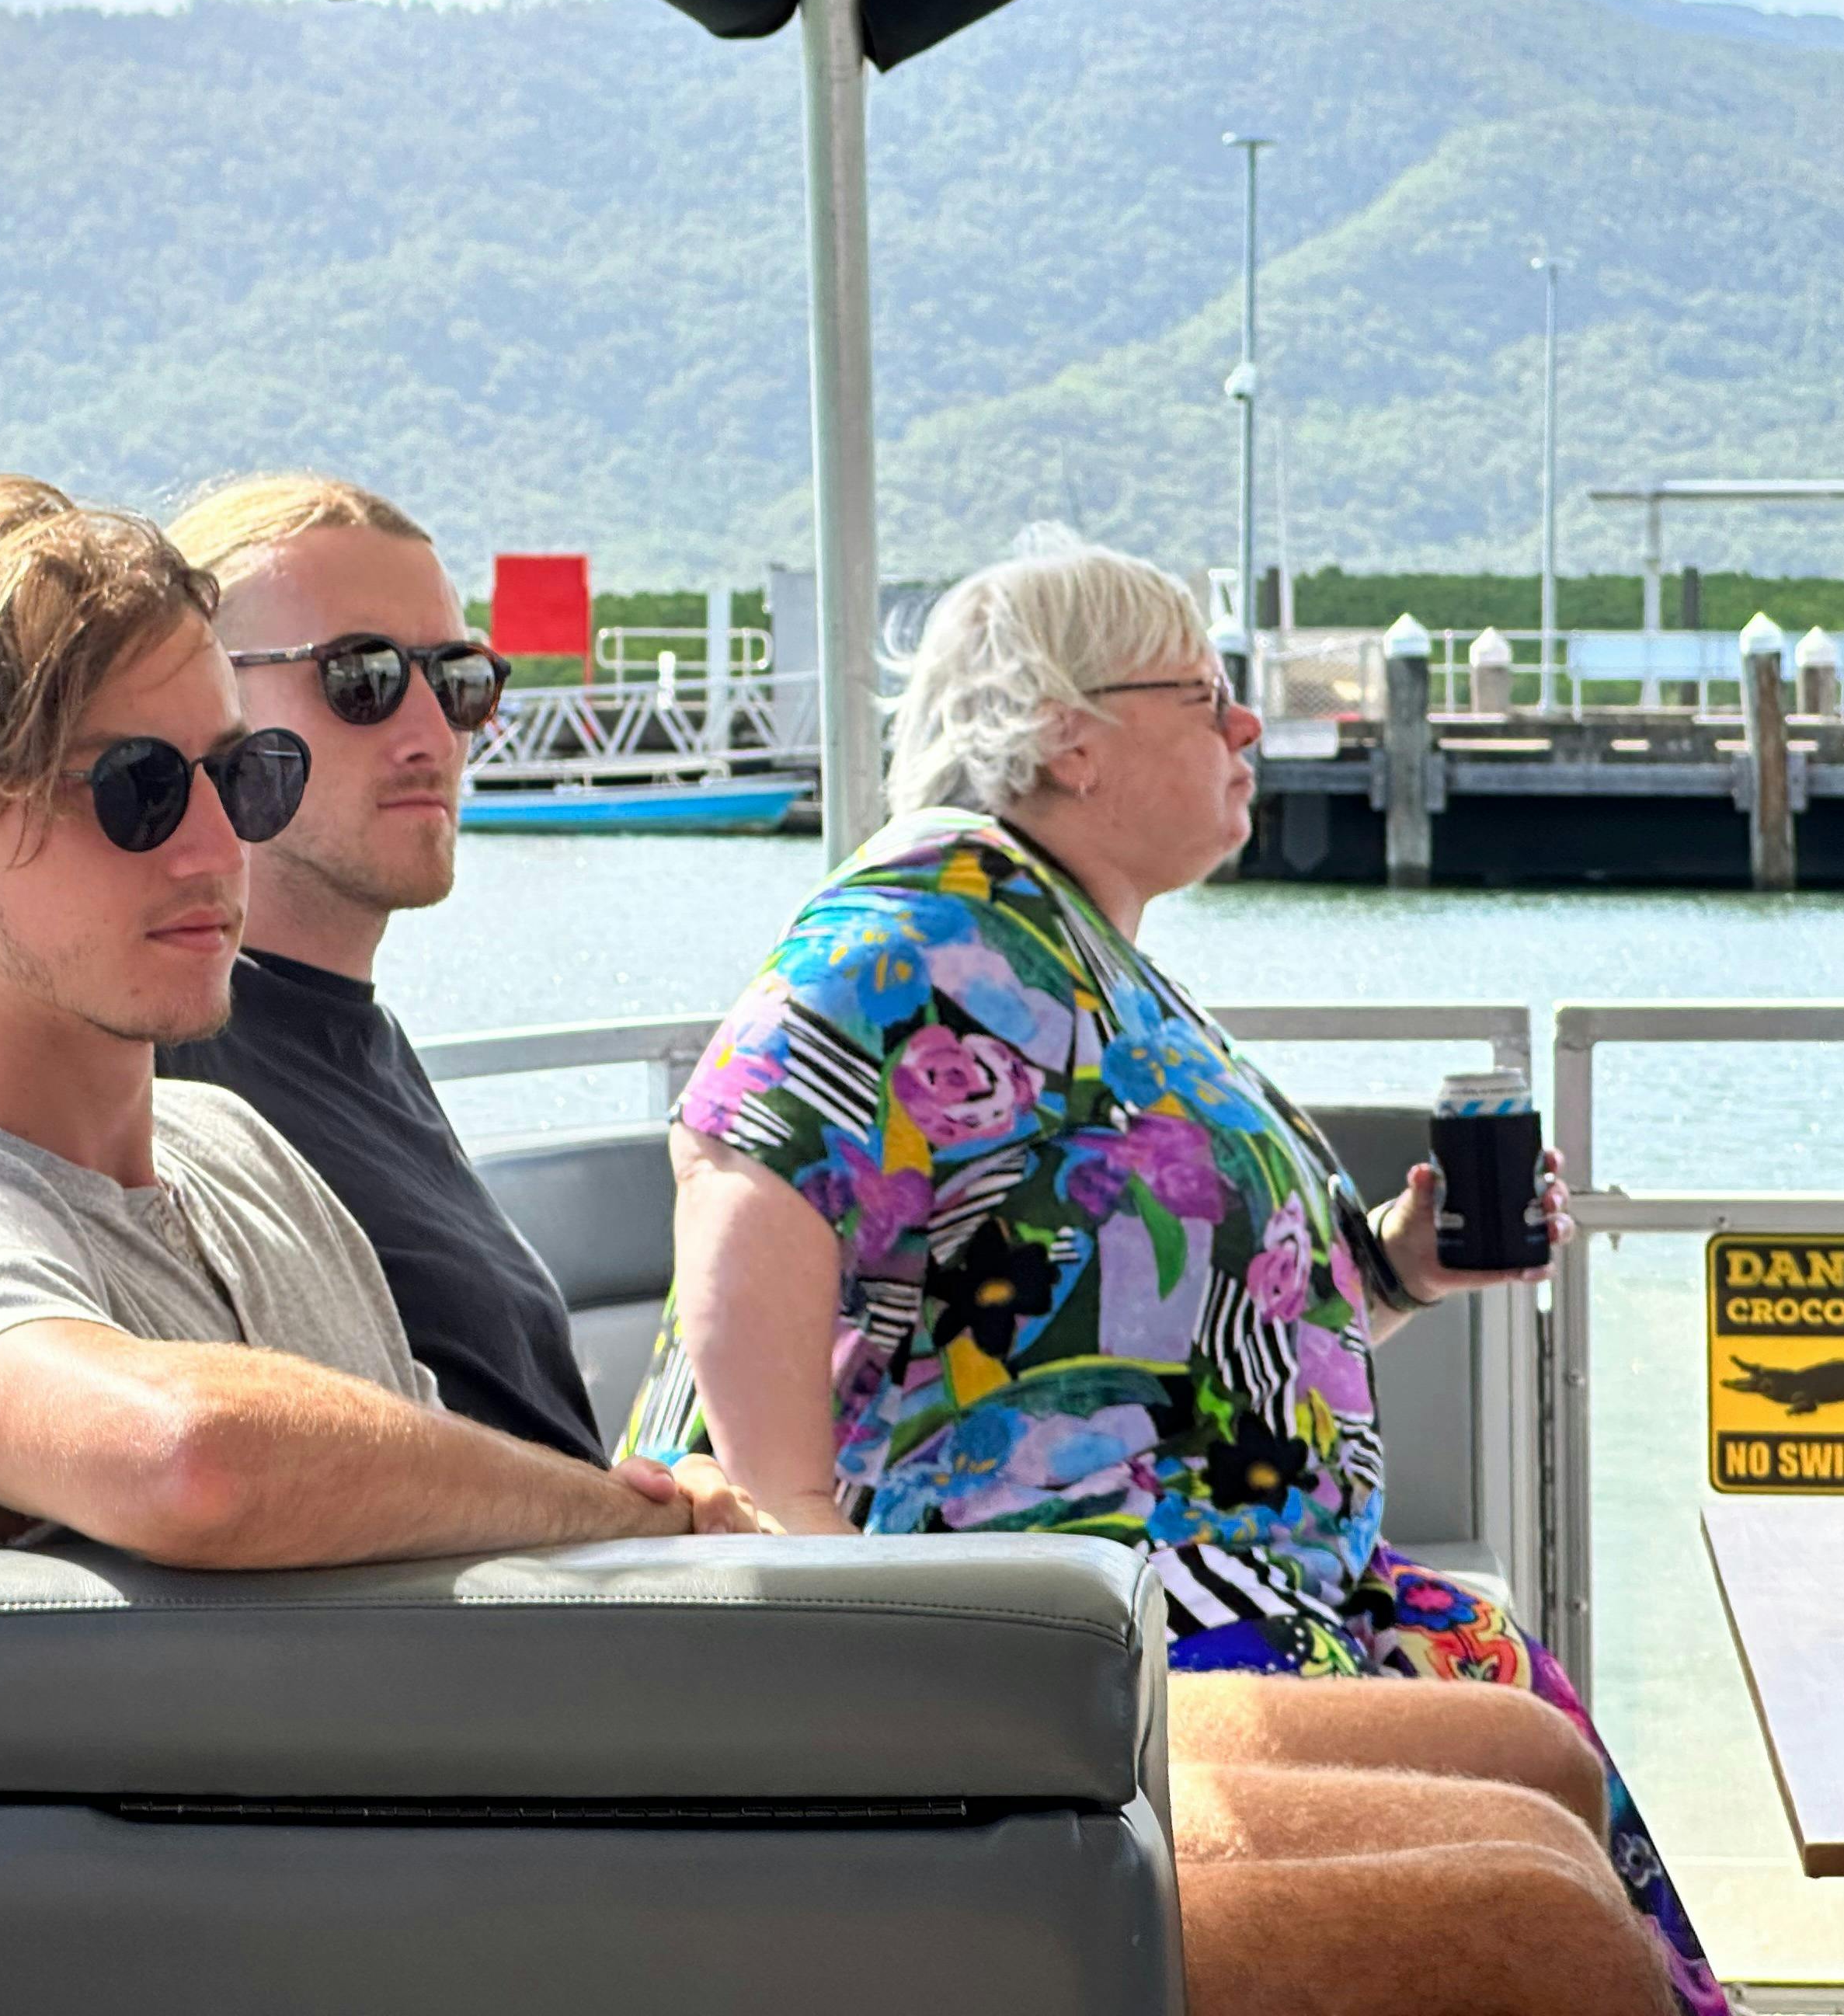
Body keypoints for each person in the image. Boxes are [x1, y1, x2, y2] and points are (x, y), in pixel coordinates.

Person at [624, 528, 1711, 2016]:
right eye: (1208, 694)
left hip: (1202, 1576)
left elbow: (1168, 1325)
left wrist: (1393, 1267)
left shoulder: (1071, 946)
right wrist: (823, 1576)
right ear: (1066, 737)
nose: (1248, 726)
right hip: (1069, 1608)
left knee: (1522, 1721)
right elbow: (744, 1159)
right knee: (1529, 1821)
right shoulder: (921, 923)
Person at [0, 475, 760, 1562]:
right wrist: (622, 1515)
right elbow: (190, 1461)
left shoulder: (238, 1149)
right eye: (137, 790)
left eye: (243, 777)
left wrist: (661, 1520)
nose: (220, 848)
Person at [155, 474, 602, 1464]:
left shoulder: (353, 1042)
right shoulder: (163, 1070)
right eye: (362, 677)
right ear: (203, 708)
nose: (430, 734)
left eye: (459, 679)